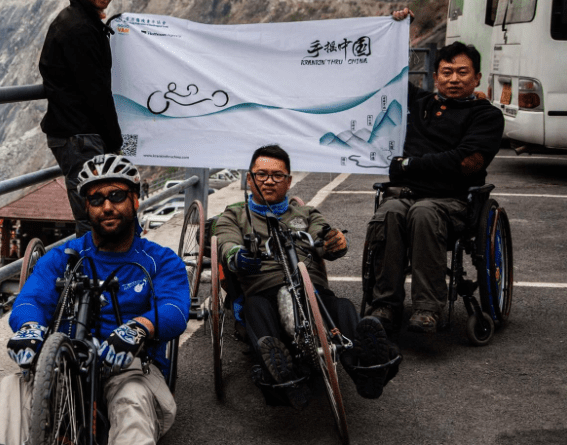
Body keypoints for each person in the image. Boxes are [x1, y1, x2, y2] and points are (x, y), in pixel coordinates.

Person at [0, 155, 189, 445]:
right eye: (97, 199)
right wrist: (31, 328)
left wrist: (140, 327)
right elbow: (31, 300)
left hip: (128, 365)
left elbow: (176, 310)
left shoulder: (159, 260)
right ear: (87, 207)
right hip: (68, 360)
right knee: (14, 386)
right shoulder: (64, 257)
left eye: (117, 195)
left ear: (135, 199)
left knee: (132, 397)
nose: (107, 206)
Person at [212, 145, 399, 406]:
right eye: (261, 174)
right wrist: (238, 256)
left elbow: (324, 237)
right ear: (249, 179)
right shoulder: (233, 215)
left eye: (277, 175)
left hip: (310, 286)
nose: (268, 180)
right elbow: (225, 245)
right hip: (263, 286)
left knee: (341, 306)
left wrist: (336, 243)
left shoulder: (306, 213)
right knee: (256, 310)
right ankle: (284, 379)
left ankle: (367, 368)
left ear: (289, 182)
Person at [366, 38, 505, 334]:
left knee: (424, 213)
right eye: (446, 72)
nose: (454, 79)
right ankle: (386, 304)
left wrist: (411, 165)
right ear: (435, 76)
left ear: (477, 77)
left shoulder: (487, 116)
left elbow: (465, 161)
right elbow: (386, 73)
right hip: (407, 195)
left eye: (462, 72)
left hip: (454, 201)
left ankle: (428, 308)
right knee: (389, 211)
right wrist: (398, 29)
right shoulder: (419, 105)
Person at [39, 0, 124, 237]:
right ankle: (91, 277)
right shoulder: (80, 28)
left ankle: (95, 275)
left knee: (95, 216)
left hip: (77, 134)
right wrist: (114, 142)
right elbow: (96, 92)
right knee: (94, 218)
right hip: (79, 136)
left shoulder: (81, 21)